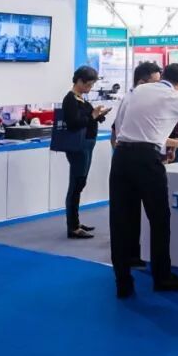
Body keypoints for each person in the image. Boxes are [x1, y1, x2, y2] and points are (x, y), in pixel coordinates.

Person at [109, 63, 178, 298]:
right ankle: (162, 276)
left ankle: (122, 282)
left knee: (120, 221)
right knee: (159, 219)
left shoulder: (136, 91)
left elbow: (122, 127)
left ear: (162, 76)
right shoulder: (176, 96)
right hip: (147, 160)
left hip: (121, 158)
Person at [110, 60, 162, 269]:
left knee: (128, 212)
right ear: (142, 82)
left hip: (125, 157)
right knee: (138, 213)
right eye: (155, 83)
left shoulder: (130, 98)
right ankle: (136, 260)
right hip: (135, 158)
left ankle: (130, 256)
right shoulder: (132, 100)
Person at [62, 66, 108, 239]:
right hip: (78, 147)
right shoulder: (70, 100)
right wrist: (92, 116)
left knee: (80, 183)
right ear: (79, 81)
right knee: (76, 184)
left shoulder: (81, 99)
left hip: (87, 145)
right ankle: (73, 226)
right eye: (88, 84)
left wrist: (98, 115)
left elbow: (88, 119)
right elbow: (74, 123)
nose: (90, 88)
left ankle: (75, 222)